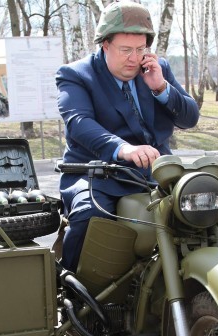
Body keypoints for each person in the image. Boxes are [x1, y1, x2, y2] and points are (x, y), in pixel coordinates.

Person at [55, 1, 199, 273]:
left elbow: (189, 118)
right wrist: (122, 148)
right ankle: (72, 284)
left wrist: (161, 88)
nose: (134, 58)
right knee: (90, 215)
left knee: (200, 205)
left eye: (140, 49)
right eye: (125, 50)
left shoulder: (157, 69)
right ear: (104, 45)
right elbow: (79, 122)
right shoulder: (76, 75)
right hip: (96, 173)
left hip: (154, 172)